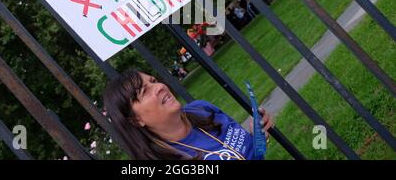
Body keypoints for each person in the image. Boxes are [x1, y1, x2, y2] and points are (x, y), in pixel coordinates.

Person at [103, 69, 274, 160]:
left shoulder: (202, 109)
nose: (159, 87)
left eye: (153, 81)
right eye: (144, 92)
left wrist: (257, 135)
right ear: (135, 120)